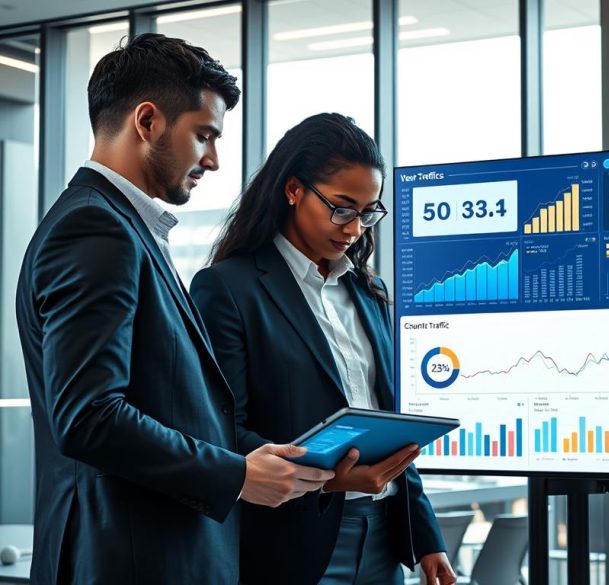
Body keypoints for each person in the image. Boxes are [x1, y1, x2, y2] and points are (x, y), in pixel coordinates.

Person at [15, 34, 334, 585]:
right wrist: (235, 475)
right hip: (129, 563)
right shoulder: (95, 229)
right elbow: (89, 417)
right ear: (147, 121)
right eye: (204, 135)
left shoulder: (122, 228)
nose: (213, 160)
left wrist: (259, 458)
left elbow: (168, 404)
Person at [191, 113, 457, 585]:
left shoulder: (369, 292)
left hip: (382, 540)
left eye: (368, 212)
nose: (354, 230)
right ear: (294, 189)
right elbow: (223, 430)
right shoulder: (228, 288)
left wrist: (426, 536)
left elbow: (388, 422)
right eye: (342, 208)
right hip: (290, 542)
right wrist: (330, 479)